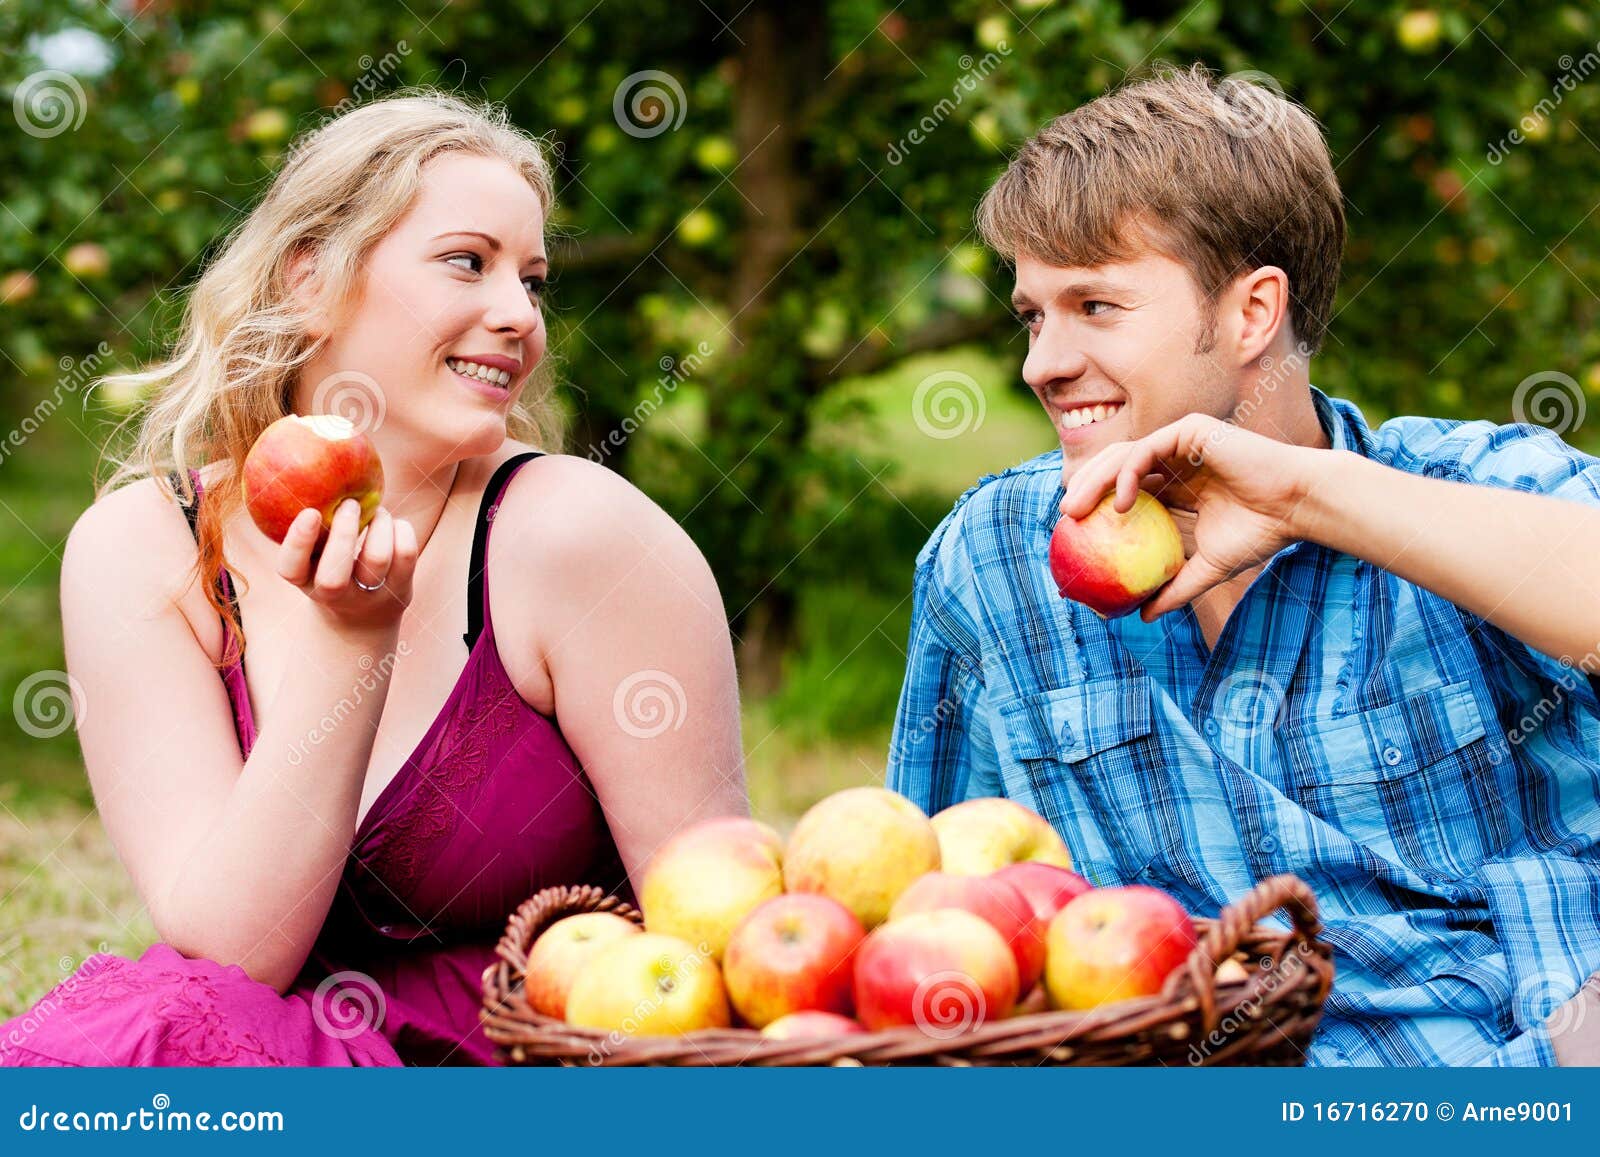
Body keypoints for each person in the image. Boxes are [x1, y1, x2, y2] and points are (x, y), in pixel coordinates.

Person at [0, 90, 745, 1067]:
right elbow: (233, 952)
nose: (519, 314)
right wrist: (350, 646)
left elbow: (717, 941)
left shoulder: (582, 536)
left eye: (533, 279)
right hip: (267, 1061)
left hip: (528, 1063)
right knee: (149, 1034)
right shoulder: (144, 549)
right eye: (466, 263)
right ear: (312, 279)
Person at [887, 64, 1600, 1065]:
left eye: (1094, 305)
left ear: (1251, 312)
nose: (1040, 361)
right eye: (1031, 313)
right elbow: (926, 900)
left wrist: (1305, 497)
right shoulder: (995, 558)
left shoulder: (1474, 487)